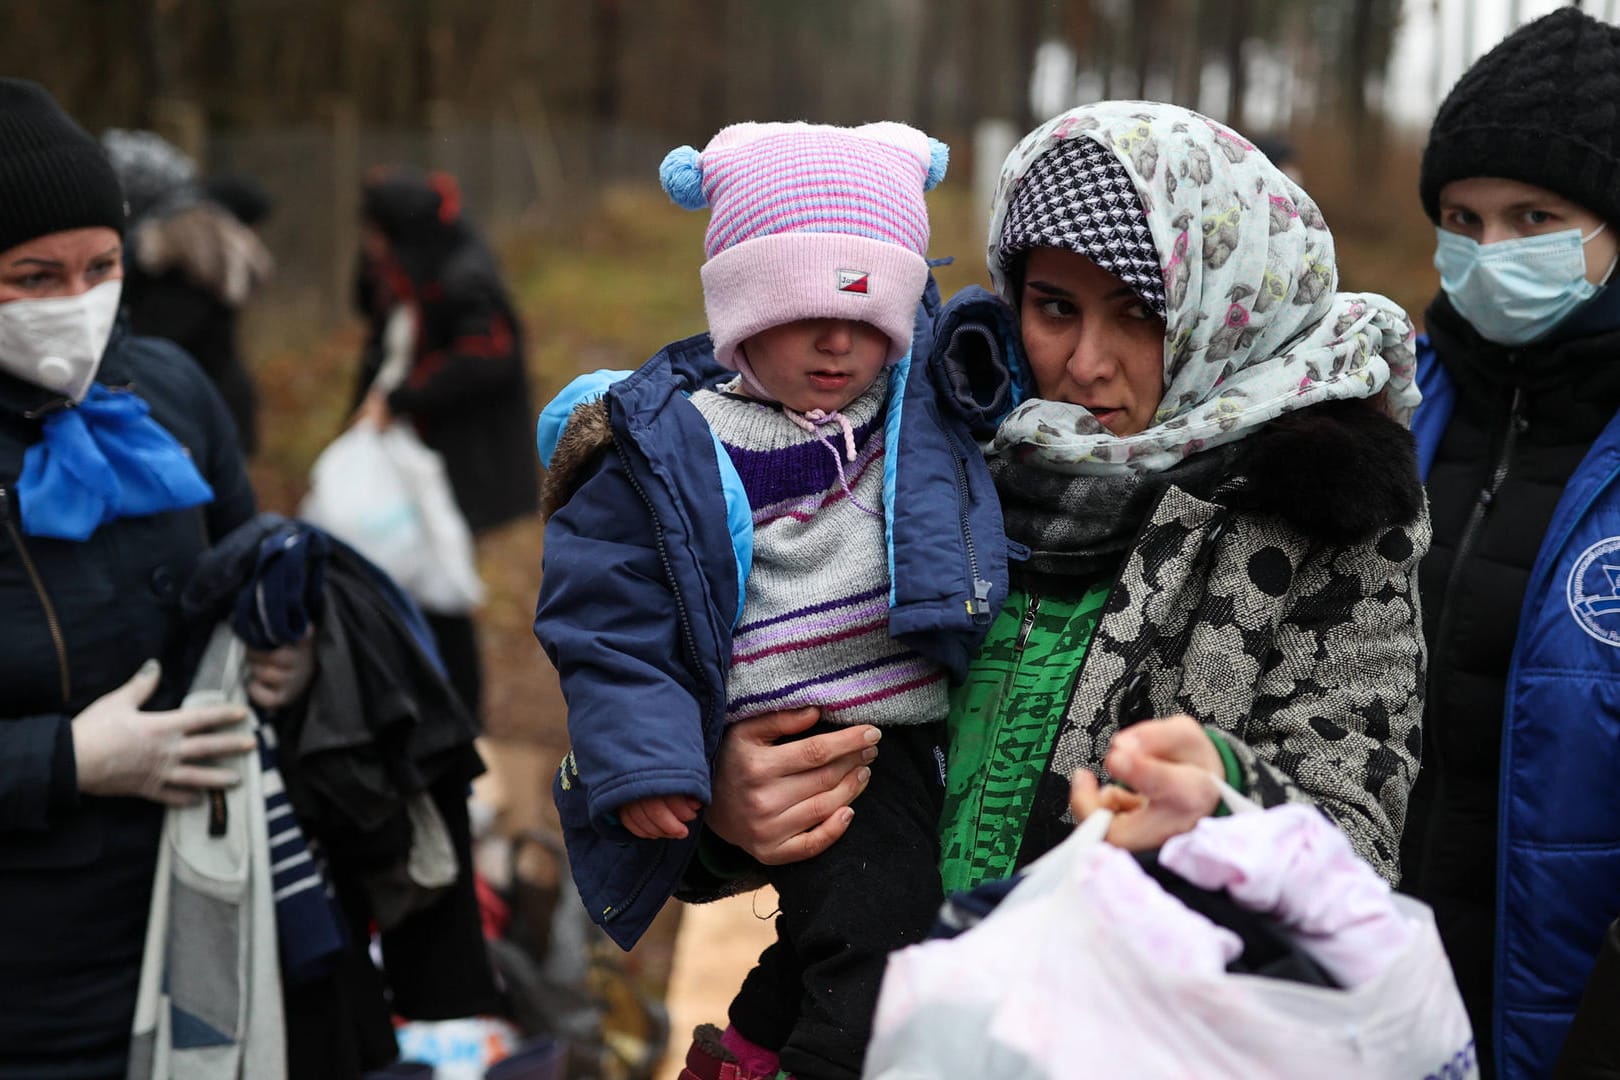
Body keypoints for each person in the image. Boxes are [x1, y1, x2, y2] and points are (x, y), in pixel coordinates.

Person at [682, 99, 1431, 1071]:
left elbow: (1354, 842)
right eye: (1055, 308)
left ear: (1228, 310)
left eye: (1140, 314)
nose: (1084, 365)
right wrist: (726, 802)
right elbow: (776, 682)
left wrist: (1223, 798)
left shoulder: (1321, 520)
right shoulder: (940, 463)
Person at [533, 121, 1000, 1080]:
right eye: (800, 309)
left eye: (871, 311)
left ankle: (742, 1055)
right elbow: (610, 616)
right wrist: (653, 756)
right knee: (878, 958)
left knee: (841, 941)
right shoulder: (680, 446)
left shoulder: (919, 406)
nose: (839, 341)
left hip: (908, 740)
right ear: (741, 313)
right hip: (792, 739)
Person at [0, 79, 309, 1080]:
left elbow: (240, 573)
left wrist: (284, 652)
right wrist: (66, 760)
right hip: (30, 987)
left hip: (199, 910)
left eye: (101, 267)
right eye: (34, 277)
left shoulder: (170, 391)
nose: (76, 304)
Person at [1394, 9, 1620, 1078]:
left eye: (1536, 216)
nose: (1492, 255)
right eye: (1462, 218)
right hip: (1376, 998)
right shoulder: (1393, 407)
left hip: (1568, 1015)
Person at [351, 167, 539, 721]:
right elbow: (369, 309)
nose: (371, 245)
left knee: (442, 591)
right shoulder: (415, 269)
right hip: (421, 459)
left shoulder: (462, 277)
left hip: (462, 463)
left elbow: (488, 356)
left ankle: (458, 717)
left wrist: (407, 395)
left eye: (377, 235)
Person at [100, 128, 273, 457]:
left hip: (192, 418)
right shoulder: (191, 249)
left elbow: (151, 344)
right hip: (206, 409)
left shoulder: (177, 263)